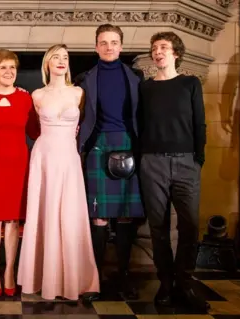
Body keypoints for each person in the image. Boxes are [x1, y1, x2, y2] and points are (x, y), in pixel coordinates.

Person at [17, 44, 99, 301]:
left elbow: (86, 125)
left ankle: (74, 278)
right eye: (56, 57)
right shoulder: (37, 95)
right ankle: (42, 278)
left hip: (69, 158)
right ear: (47, 64)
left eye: (65, 57)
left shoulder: (79, 93)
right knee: (45, 212)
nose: (61, 61)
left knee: (70, 215)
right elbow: (30, 127)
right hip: (44, 157)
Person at [138, 31, 208, 311]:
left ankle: (185, 284)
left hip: (186, 162)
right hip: (152, 163)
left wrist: (197, 159)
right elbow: (139, 123)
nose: (158, 52)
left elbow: (200, 123)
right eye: (154, 48)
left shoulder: (190, 83)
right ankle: (165, 285)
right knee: (158, 228)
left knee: (190, 225)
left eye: (163, 47)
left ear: (175, 52)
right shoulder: (145, 88)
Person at [78, 24, 144, 301]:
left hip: (129, 144)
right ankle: (97, 279)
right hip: (98, 146)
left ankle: (124, 276)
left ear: (121, 46)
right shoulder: (84, 78)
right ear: (96, 47)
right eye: (103, 42)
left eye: (114, 42)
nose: (108, 47)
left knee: (126, 215)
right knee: (99, 216)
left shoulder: (137, 77)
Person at [0, 49, 40, 297]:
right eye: (3, 67)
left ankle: (10, 270)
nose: (9, 72)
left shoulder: (26, 99)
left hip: (18, 165)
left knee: (13, 221)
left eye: (12, 67)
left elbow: (35, 131)